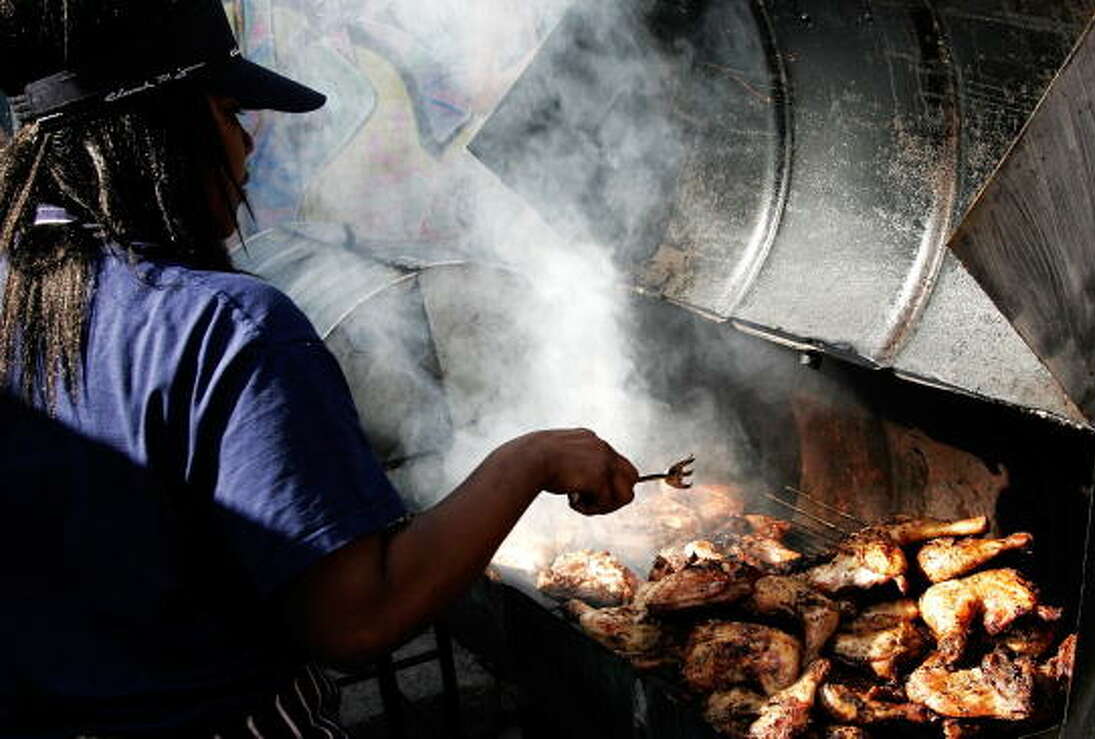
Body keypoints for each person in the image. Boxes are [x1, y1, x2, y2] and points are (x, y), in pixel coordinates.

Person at [0, 1, 638, 737]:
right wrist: (529, 459)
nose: (248, 147)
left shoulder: (23, 289)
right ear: (158, 128)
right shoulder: (229, 327)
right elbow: (355, 618)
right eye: (232, 111)